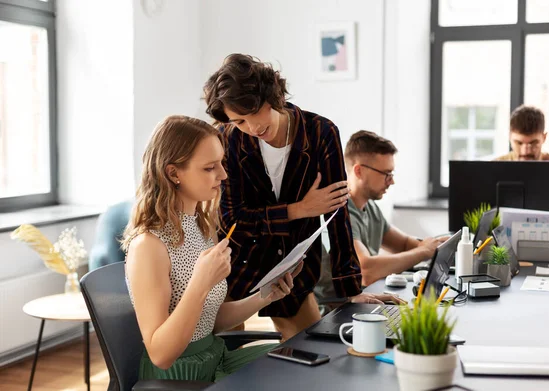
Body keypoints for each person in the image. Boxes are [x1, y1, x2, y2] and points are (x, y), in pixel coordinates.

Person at [203, 54, 397, 341]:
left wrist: (351, 290)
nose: (252, 128)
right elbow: (233, 218)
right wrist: (299, 210)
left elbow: (337, 216)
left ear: (271, 96)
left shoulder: (321, 133)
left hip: (292, 272)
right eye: (239, 120)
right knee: (227, 361)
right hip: (236, 265)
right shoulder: (227, 137)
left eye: (253, 112)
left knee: (314, 351)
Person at [123, 115, 302, 382]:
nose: (223, 174)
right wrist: (201, 283)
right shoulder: (149, 246)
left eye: (221, 163)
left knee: (300, 360)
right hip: (180, 376)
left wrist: (266, 296)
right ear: (173, 173)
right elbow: (161, 354)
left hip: (216, 359)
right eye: (209, 168)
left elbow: (208, 320)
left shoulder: (202, 228)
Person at [343, 130, 443, 286]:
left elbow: (403, 245)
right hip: (337, 308)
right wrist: (423, 251)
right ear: (359, 171)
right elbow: (366, 270)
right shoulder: (340, 211)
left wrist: (438, 245)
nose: (391, 181)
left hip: (364, 298)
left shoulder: (370, 208)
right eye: (386, 173)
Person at [495, 105, 549, 239]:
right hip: (502, 250)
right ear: (509, 137)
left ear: (544, 137)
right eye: (519, 143)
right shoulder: (495, 168)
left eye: (533, 143)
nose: (526, 151)